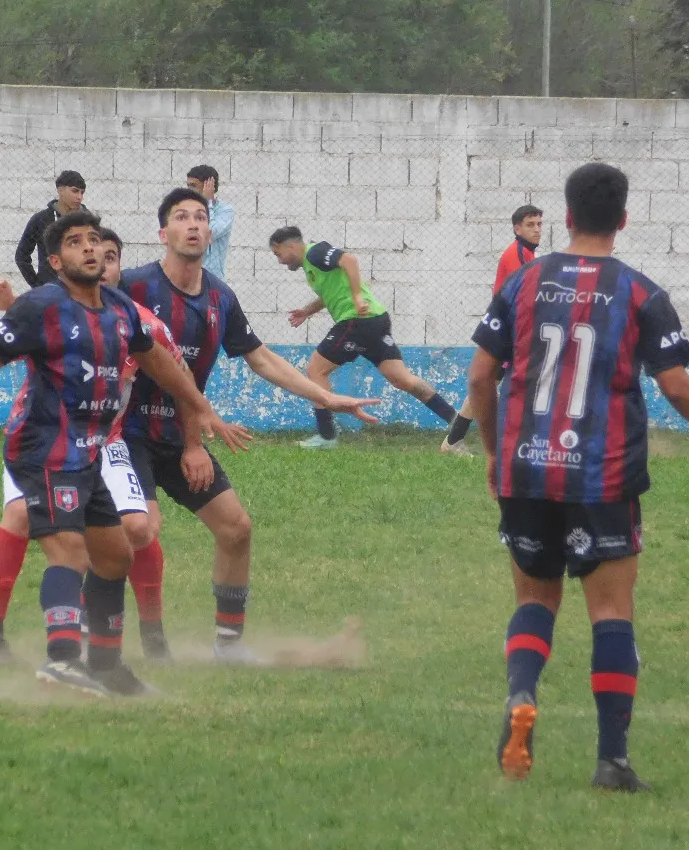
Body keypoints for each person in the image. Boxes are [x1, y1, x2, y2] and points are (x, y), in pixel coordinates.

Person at [467, 163, 689, 792]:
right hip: (602, 476)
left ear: (566, 216)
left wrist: (495, 451)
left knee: (535, 599)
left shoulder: (522, 283)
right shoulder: (639, 294)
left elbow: (478, 378)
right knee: (610, 611)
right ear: (623, 219)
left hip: (525, 469)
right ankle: (612, 762)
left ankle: (523, 692)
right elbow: (676, 384)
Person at [0, 211, 246, 697]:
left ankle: (106, 667)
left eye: (97, 243)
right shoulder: (41, 307)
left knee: (116, 556)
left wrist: (201, 407)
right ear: (55, 261)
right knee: (68, 550)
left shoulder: (123, 311)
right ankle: (62, 659)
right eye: (76, 242)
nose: (89, 249)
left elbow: (163, 365)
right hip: (43, 450)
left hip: (90, 453)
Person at [118, 189, 378, 662]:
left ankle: (229, 648)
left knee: (236, 529)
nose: (195, 224)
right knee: (139, 530)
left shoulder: (220, 297)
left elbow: (260, 358)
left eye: (201, 216)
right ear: (164, 233)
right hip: (126, 434)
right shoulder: (134, 287)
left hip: (181, 438)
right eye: (182, 217)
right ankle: (134, 641)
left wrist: (324, 396)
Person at [271, 226, 459, 449]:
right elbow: (329, 293)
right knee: (401, 379)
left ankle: (327, 436)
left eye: (278, 254)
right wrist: (306, 312)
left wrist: (358, 297)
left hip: (357, 320)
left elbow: (349, 260)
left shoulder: (315, 252)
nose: (280, 261)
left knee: (315, 370)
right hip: (375, 319)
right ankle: (458, 422)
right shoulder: (312, 268)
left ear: (291, 246)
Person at [444, 205, 545, 455]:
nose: (536, 230)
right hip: (510, 333)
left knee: (490, 384)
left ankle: (453, 441)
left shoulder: (526, 254)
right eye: (530, 225)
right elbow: (527, 296)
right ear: (517, 228)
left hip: (510, 332)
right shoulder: (519, 254)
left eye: (539, 224)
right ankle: (525, 442)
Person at [14, 170, 90, 288]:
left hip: (81, 290)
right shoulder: (41, 219)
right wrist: (37, 285)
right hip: (50, 290)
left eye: (82, 193)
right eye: (75, 191)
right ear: (60, 190)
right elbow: (22, 255)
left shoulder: (88, 220)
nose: (79, 197)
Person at [186, 165, 234, 279]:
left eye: (193, 186)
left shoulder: (225, 211)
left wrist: (206, 202)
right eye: (188, 185)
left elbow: (211, 231)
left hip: (213, 278)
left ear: (208, 185)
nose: (188, 190)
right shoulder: (185, 210)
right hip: (188, 276)